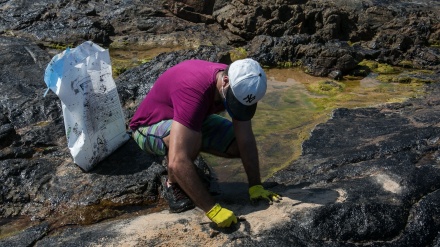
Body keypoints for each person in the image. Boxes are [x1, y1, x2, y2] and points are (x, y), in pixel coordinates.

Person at [130, 58, 281, 228]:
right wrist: (212, 209)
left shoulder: (241, 82)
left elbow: (245, 138)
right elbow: (177, 161)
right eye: (233, 101)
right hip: (148, 126)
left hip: (192, 119)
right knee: (189, 145)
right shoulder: (194, 90)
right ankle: (172, 184)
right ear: (225, 81)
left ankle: (190, 161)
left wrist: (255, 185)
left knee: (236, 145)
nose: (235, 106)